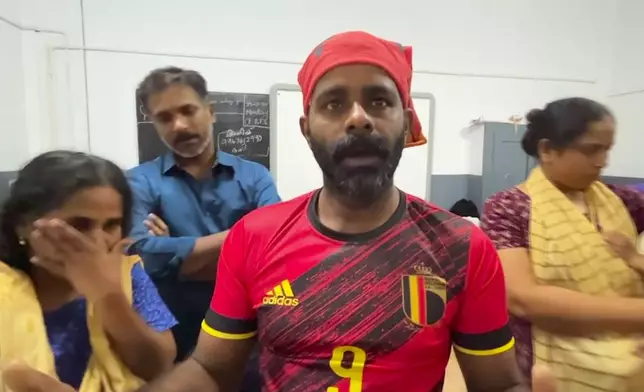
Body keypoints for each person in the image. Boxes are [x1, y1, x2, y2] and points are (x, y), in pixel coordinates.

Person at [2, 31, 547, 392]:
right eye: (334, 103)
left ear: (405, 122)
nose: (357, 118)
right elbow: (210, 370)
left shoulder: (460, 245)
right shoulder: (256, 237)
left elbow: (496, 384)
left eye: (378, 101)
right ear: (306, 126)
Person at [481, 98, 644, 391]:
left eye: (607, 149)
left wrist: (636, 259)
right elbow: (523, 298)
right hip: (546, 371)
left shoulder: (625, 202)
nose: (602, 161)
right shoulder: (510, 207)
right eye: (591, 149)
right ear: (547, 150)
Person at [128, 66, 281, 369]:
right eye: (165, 117)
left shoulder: (255, 176)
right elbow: (141, 255)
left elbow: (275, 243)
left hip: (248, 328)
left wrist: (176, 258)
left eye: (188, 110)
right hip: (171, 331)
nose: (180, 125)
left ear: (210, 112)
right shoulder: (138, 182)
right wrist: (242, 236)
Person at [0, 150, 177, 391]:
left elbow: (158, 367)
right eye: (79, 224)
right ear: (23, 225)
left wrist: (108, 295)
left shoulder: (127, 273)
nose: (98, 241)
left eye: (111, 225)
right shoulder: (4, 286)